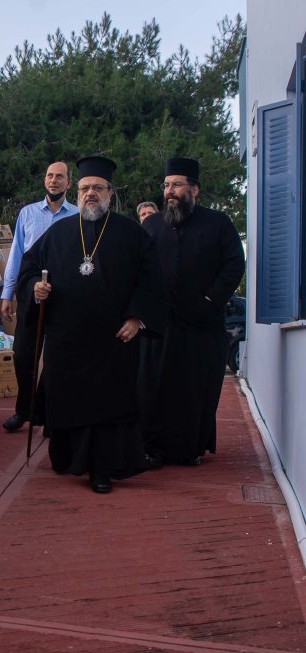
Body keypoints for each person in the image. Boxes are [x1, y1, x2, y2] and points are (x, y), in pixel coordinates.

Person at [16, 156, 166, 493]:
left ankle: (101, 468)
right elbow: (29, 267)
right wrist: (34, 289)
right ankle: (68, 458)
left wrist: (137, 317)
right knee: (67, 398)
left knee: (106, 404)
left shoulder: (132, 233)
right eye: (85, 188)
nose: (90, 194)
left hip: (112, 339)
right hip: (67, 339)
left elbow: (153, 279)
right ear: (77, 191)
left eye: (97, 188)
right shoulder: (59, 232)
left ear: (110, 192)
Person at [138, 158, 245, 467]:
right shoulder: (153, 224)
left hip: (201, 325)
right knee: (154, 388)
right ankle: (152, 448)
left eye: (176, 185)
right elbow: (140, 267)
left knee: (193, 390)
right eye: (166, 185)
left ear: (194, 189)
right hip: (160, 327)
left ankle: (189, 449)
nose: (169, 191)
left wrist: (210, 299)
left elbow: (234, 265)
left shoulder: (218, 223)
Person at [0, 162, 78, 433]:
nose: (53, 180)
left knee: (58, 356)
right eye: (49, 175)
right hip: (31, 292)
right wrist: (7, 294)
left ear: (69, 183)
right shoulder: (28, 213)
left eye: (59, 176)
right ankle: (24, 410)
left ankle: (44, 409)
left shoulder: (78, 216)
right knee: (23, 355)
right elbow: (16, 255)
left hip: (65, 296)